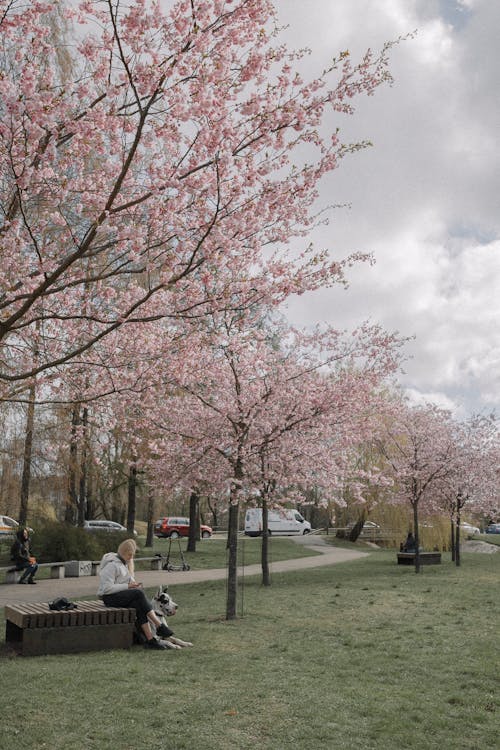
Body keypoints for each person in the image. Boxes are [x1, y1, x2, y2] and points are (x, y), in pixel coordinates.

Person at [97, 538, 170, 650]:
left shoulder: (123, 564)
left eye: (132, 555)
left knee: (138, 604)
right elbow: (106, 589)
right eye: (129, 555)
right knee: (138, 593)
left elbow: (123, 582)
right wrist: (128, 586)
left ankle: (150, 640)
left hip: (120, 596)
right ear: (123, 552)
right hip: (109, 598)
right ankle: (158, 625)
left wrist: (132, 584)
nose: (131, 558)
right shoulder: (111, 565)